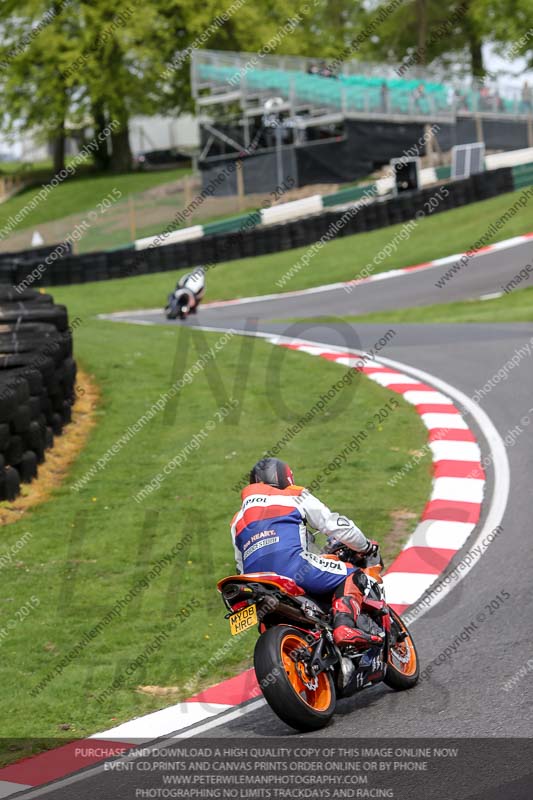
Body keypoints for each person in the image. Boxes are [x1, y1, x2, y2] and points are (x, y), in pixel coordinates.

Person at [230, 458, 383, 649]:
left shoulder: (237, 519)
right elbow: (335, 525)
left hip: (254, 580)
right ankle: (345, 627)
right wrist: (365, 546)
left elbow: (240, 563)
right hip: (293, 565)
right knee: (354, 575)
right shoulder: (294, 495)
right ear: (286, 478)